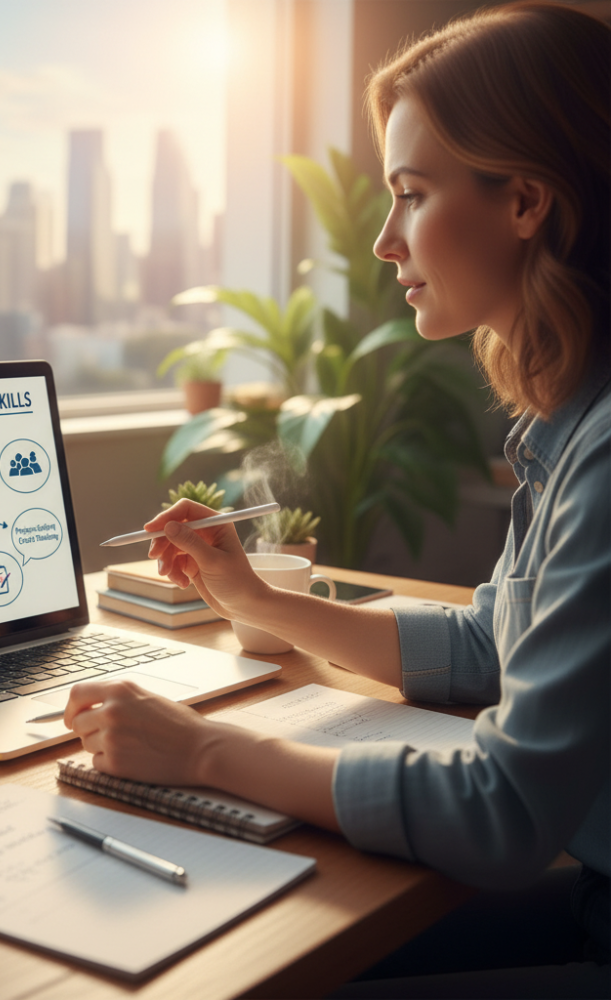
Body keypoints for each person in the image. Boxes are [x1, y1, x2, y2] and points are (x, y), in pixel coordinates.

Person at [64, 2, 609, 992]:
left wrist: (205, 751)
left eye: (411, 195)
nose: (385, 242)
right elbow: (491, 647)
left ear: (526, 200)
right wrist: (256, 600)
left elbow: (501, 812)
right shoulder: (570, 421)